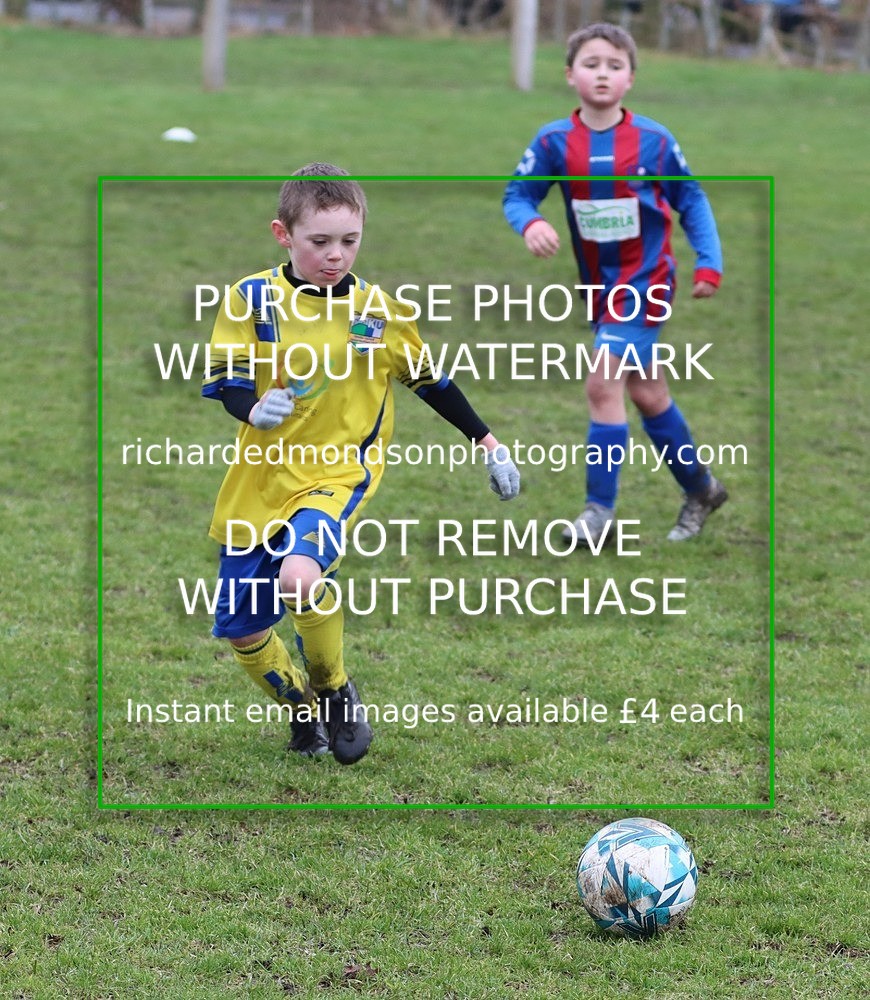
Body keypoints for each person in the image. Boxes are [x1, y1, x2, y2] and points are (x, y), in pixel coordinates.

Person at [202, 164, 520, 766]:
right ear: (283, 234)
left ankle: (335, 692)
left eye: (349, 241)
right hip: (258, 480)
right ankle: (302, 713)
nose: (335, 254)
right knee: (244, 632)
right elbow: (225, 383)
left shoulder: (377, 311)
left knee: (299, 578)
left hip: (337, 474)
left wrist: (489, 443)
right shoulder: (251, 298)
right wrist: (254, 406)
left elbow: (431, 381)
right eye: (319, 241)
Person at [503, 22, 726, 546]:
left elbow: (691, 200)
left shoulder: (654, 140)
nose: (602, 73)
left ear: (630, 79)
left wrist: (709, 263)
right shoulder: (555, 141)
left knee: (601, 383)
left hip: (647, 282)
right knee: (647, 393)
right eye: (591, 63)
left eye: (614, 65)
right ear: (569, 74)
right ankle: (702, 489)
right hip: (600, 290)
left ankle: (598, 513)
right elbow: (517, 195)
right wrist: (531, 223)